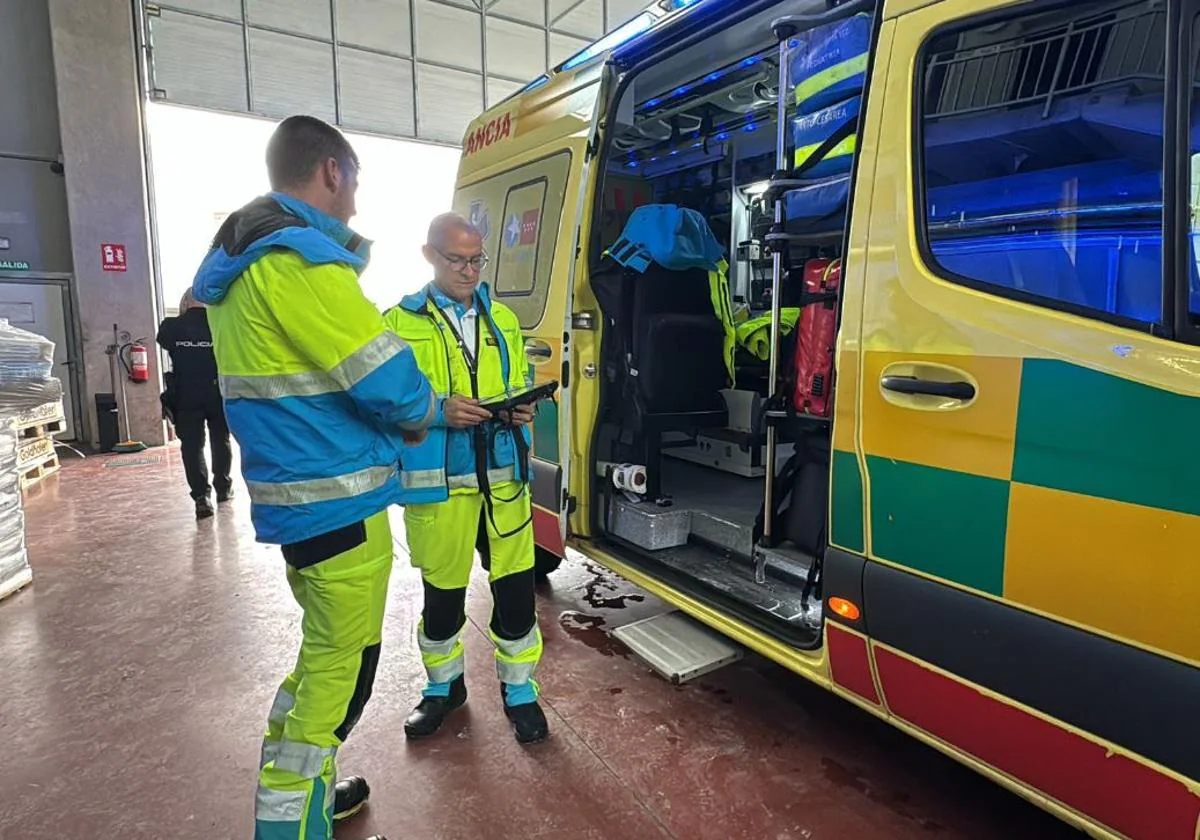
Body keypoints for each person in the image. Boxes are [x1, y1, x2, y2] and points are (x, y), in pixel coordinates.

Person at [190, 115, 436, 840]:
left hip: (303, 504)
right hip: (339, 502)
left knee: (323, 657)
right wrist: (421, 410)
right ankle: (289, 824)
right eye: (353, 184)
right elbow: (385, 374)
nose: (354, 205)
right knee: (342, 672)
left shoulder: (242, 268)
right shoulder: (297, 261)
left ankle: (307, 799)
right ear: (331, 171)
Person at [383, 213, 548, 745]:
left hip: (503, 481)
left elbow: (518, 380)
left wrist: (524, 410)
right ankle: (444, 689)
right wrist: (438, 411)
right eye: (458, 260)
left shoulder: (502, 319)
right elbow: (383, 405)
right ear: (429, 255)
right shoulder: (398, 323)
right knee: (443, 599)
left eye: (478, 259)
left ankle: (520, 692)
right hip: (439, 486)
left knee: (517, 593)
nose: (470, 270)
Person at [157, 289, 234, 519]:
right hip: (216, 391)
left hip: (186, 394)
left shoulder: (170, 327)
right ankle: (223, 487)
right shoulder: (219, 325)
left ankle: (201, 497)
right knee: (220, 440)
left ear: (185, 302)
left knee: (192, 447)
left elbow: (164, 342)